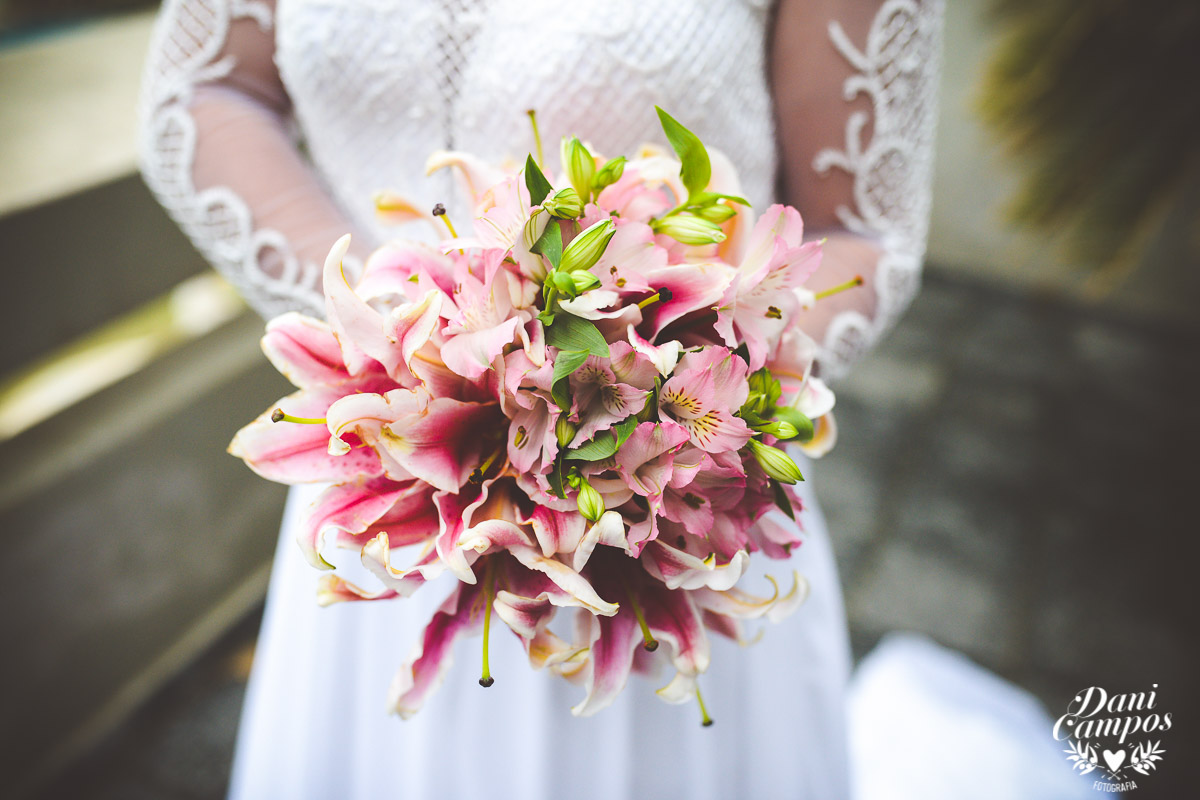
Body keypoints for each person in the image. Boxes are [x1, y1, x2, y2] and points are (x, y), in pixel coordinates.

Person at [138, 1, 942, 797]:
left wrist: (670, 419)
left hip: (673, 520)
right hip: (386, 481)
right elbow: (207, 93)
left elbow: (862, 235)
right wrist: (400, 350)